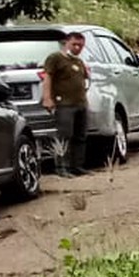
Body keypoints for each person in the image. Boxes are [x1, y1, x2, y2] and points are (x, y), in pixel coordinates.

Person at [41, 32, 91, 176]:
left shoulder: (78, 61)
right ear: (66, 43)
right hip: (64, 104)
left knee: (80, 136)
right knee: (64, 136)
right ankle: (62, 167)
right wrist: (47, 98)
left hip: (80, 103)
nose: (77, 48)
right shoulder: (55, 58)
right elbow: (47, 77)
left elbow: (83, 80)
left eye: (80, 46)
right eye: (74, 44)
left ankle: (77, 166)